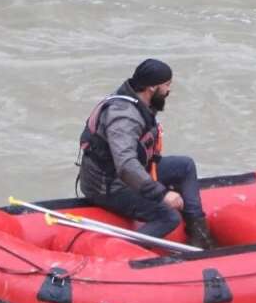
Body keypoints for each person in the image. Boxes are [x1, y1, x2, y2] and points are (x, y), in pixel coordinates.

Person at [76, 58, 215, 249]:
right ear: (151, 88)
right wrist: (162, 194)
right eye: (166, 85)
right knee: (169, 217)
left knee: (185, 165)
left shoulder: (137, 99)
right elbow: (126, 166)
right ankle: (121, 251)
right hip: (108, 187)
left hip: (124, 174)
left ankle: (200, 237)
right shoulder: (124, 117)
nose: (168, 91)